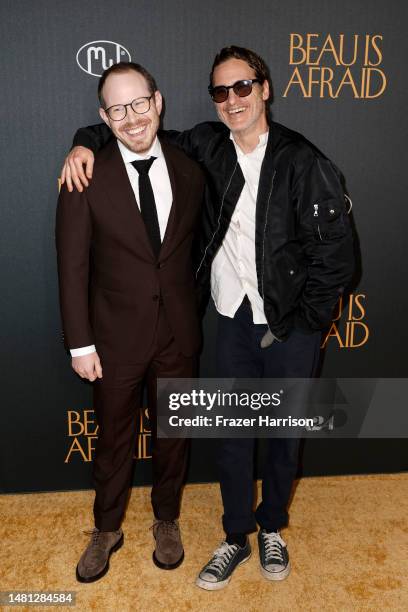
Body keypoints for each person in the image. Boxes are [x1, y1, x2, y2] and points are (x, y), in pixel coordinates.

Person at [60, 46, 354, 590]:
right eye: (221, 91)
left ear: (264, 89)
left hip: (289, 323)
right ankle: (235, 533)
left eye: (243, 87)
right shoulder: (206, 146)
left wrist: (304, 322)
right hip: (231, 318)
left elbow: (338, 256)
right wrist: (85, 138)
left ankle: (272, 527)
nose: (232, 100)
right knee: (234, 434)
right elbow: (130, 129)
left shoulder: (303, 161)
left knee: (284, 434)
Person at [56, 61, 204, 583]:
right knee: (113, 439)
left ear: (158, 102)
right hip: (113, 339)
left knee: (174, 436)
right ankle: (106, 527)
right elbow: (71, 266)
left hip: (178, 334)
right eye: (117, 109)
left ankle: (167, 519)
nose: (131, 117)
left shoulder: (191, 168)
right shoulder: (85, 174)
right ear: (104, 116)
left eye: (139, 103)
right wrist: (80, 345)